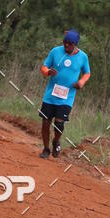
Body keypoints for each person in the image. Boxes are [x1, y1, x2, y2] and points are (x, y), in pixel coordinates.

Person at [38, 29, 90, 158]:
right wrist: (48, 71)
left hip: (67, 98)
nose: (66, 45)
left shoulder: (83, 57)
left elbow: (87, 73)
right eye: (65, 42)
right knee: (45, 122)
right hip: (50, 96)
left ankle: (56, 141)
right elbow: (43, 67)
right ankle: (46, 149)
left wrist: (81, 83)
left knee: (59, 123)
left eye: (70, 44)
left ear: (75, 44)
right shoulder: (55, 51)